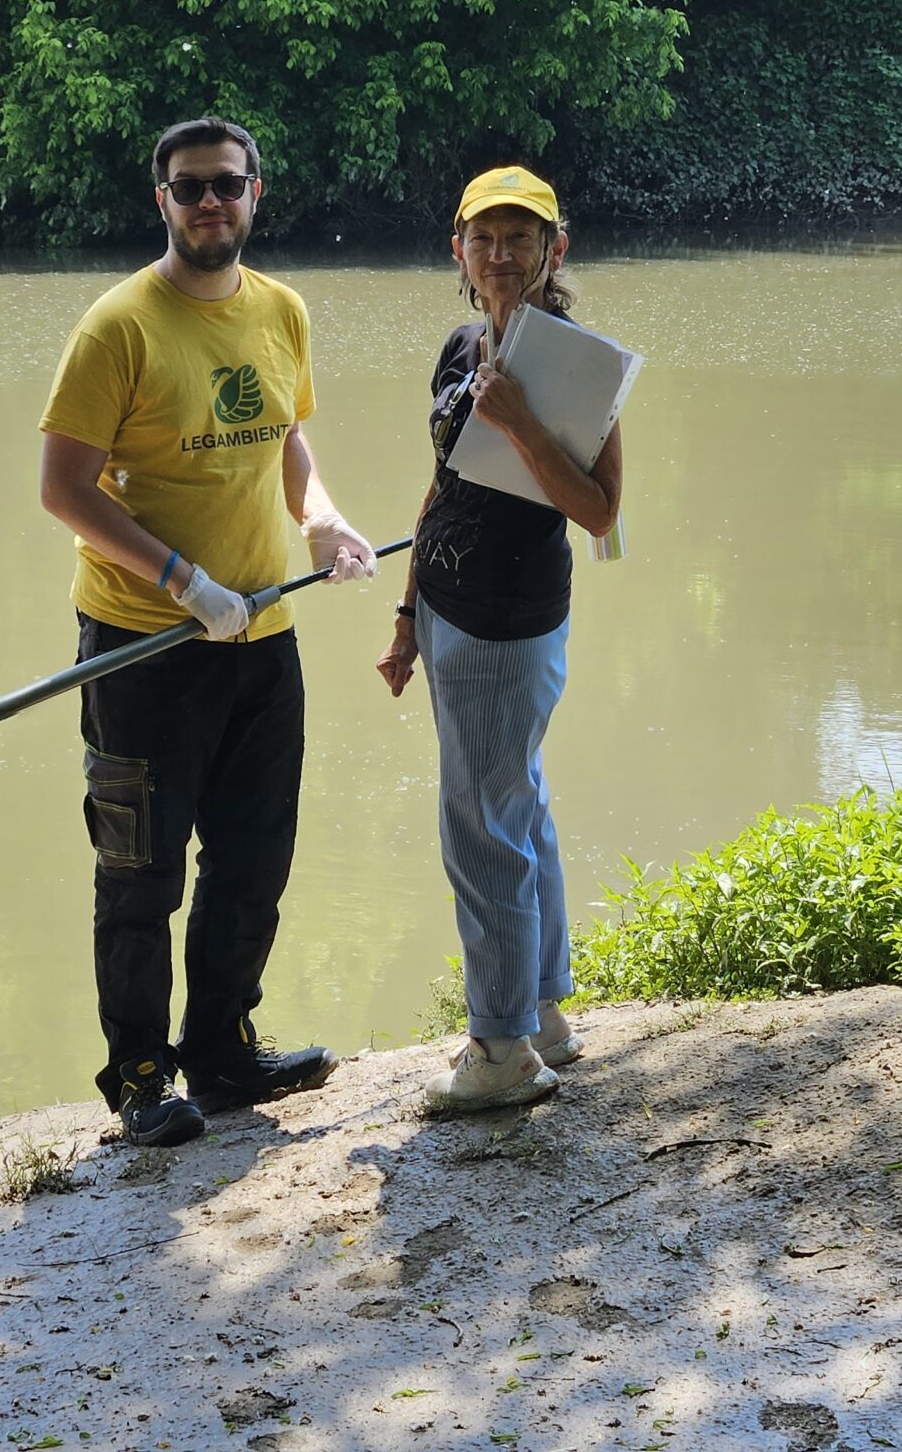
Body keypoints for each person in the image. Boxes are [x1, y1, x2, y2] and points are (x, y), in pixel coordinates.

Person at [39, 117, 378, 1148]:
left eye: (226, 185)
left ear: (255, 192)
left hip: (259, 636)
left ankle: (223, 1050)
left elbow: (287, 439)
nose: (208, 204)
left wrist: (319, 518)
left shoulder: (280, 310)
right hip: (145, 642)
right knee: (140, 871)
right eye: (188, 189)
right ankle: (142, 1073)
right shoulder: (118, 327)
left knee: (253, 855)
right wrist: (179, 579)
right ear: (162, 202)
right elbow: (62, 489)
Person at [377, 166, 624, 1116]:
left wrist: (521, 424)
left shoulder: (580, 365)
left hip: (506, 622)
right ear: (459, 251)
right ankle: (542, 1019)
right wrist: (405, 615)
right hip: (445, 606)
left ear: (555, 249)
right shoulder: (460, 343)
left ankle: (501, 1051)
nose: (502, 254)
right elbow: (441, 485)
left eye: (522, 236)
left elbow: (600, 513)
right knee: (515, 804)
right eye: (484, 237)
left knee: (482, 828)